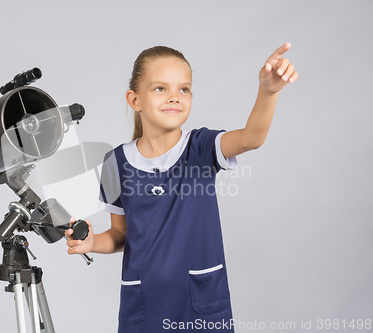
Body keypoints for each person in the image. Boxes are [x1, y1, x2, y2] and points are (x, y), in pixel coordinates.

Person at [65, 44, 298, 332]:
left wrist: (268, 91)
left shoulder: (201, 147)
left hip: (200, 304)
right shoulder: (115, 162)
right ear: (134, 99)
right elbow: (121, 235)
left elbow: (252, 138)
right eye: (160, 89)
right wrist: (91, 243)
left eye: (184, 89)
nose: (175, 97)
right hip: (143, 308)